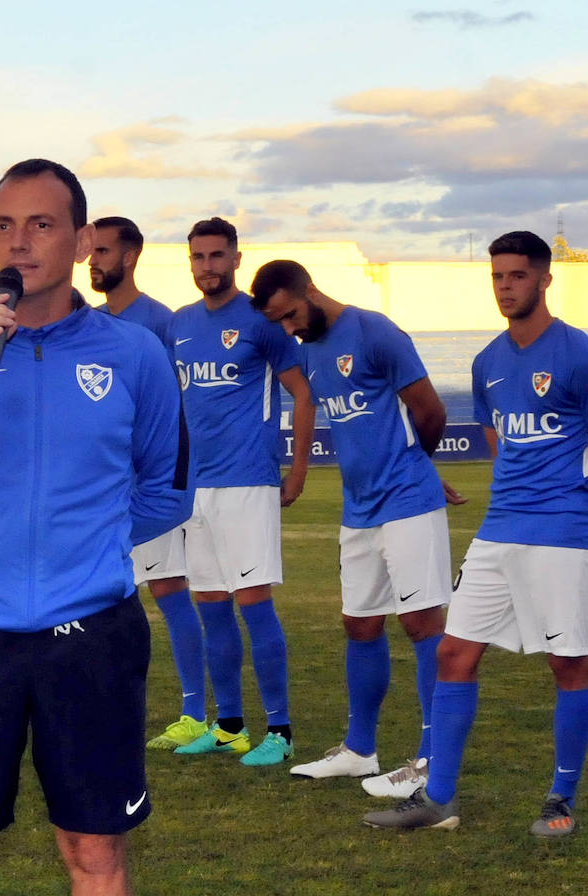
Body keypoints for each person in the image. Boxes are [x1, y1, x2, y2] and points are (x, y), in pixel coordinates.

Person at [0, 158, 189, 896]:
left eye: (41, 225)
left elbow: (171, 490)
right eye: (2, 225)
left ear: (84, 241)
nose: (17, 243)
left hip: (92, 635)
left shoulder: (134, 352)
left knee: (94, 856)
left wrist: (85, 549)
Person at [363, 231, 588, 837]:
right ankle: (438, 799)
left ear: (543, 279)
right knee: (455, 654)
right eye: (497, 277)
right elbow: (498, 445)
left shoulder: (582, 356)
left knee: (567, 664)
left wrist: (581, 519)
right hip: (497, 531)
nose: (506, 286)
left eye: (517, 275)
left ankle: (560, 800)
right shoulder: (487, 362)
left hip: (562, 534)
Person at [248, 259, 454, 795]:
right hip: (358, 508)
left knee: (422, 625)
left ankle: (431, 760)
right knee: (360, 623)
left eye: (291, 314)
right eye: (281, 324)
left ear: (309, 290)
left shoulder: (375, 331)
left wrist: (415, 469)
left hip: (407, 503)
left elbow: (430, 411)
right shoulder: (310, 349)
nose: (290, 329)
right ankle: (360, 750)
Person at [166, 216, 314, 767]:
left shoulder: (262, 322)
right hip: (196, 488)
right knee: (211, 606)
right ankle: (229, 725)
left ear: (235, 259)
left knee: (253, 604)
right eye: (199, 257)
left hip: (250, 481)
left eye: (217, 256)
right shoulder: (178, 325)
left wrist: (296, 470)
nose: (208, 266)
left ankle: (280, 729)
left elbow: (303, 394)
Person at [89, 215, 204, 750]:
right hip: (99, 487)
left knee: (167, 589)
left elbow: (174, 410)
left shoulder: (159, 323)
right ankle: (103, 704)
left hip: (147, 488)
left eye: (103, 251)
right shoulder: (87, 323)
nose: (93, 261)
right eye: (91, 251)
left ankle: (194, 711)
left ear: (130, 256)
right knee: (100, 594)